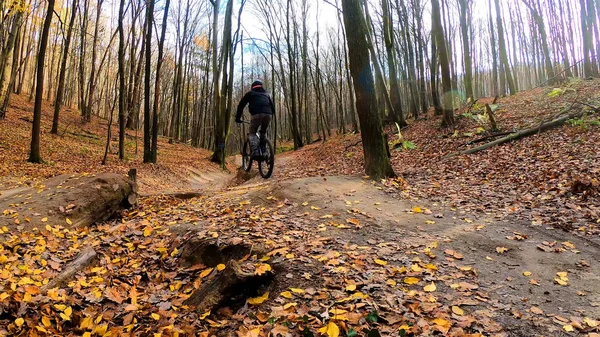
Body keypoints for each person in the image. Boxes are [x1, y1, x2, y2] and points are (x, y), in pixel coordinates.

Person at [235, 80, 274, 159]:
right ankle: (265, 152)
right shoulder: (266, 94)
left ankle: (255, 152)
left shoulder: (250, 93)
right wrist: (270, 115)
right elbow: (272, 107)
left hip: (256, 114)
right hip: (268, 114)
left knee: (252, 133)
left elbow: (241, 105)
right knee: (263, 133)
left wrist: (238, 118)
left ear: (252, 87)